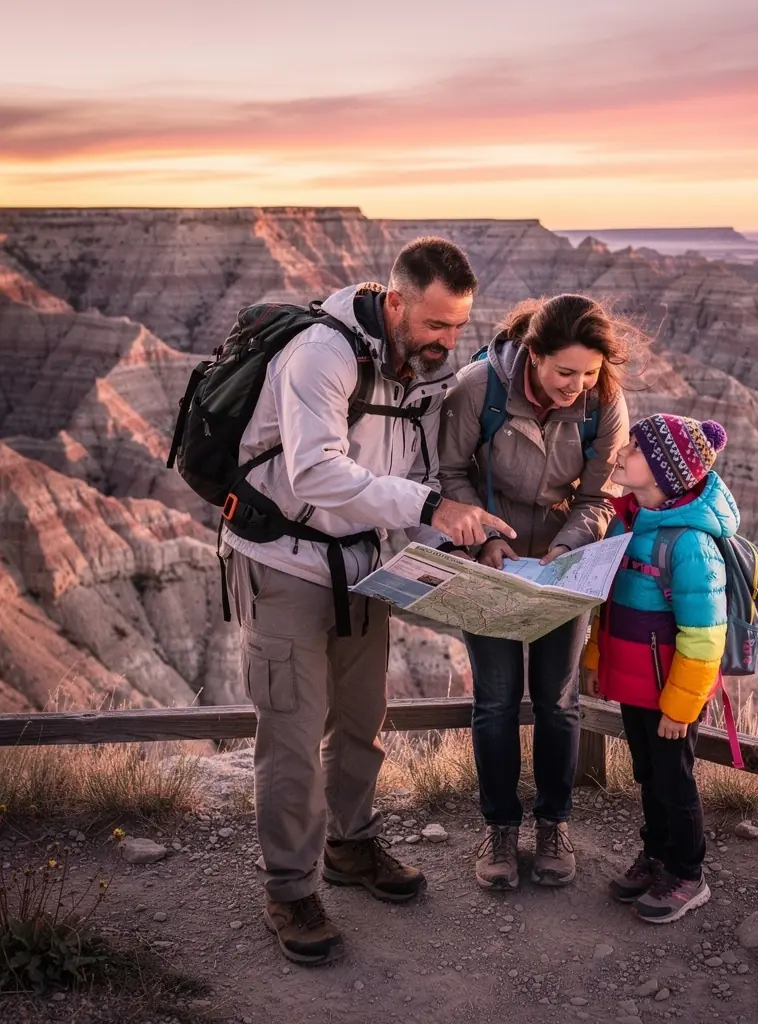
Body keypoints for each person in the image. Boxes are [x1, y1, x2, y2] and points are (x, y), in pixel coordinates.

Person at [221, 237, 515, 965]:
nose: (447, 342)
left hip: (361, 567)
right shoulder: (322, 354)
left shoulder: (420, 374)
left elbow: (412, 479)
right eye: (434, 325)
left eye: (457, 328)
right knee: (290, 735)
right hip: (281, 563)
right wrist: (432, 505)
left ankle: (350, 846)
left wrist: (466, 543)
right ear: (395, 302)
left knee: (361, 720)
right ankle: (290, 889)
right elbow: (317, 473)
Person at [438, 294, 632, 891]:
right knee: (495, 700)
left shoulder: (605, 402)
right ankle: (499, 829)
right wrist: (482, 543)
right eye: (565, 372)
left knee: (558, 699)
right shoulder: (478, 388)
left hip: (561, 562)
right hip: (488, 559)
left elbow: (600, 495)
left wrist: (567, 550)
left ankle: (553, 825)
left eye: (590, 373)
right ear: (533, 355)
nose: (578, 385)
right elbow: (449, 473)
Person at [580, 413, 738, 924]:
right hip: (635, 684)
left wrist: (681, 705)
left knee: (675, 779)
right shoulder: (630, 522)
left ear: (665, 473)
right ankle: (656, 856)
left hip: (670, 694)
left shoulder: (690, 544)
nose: (622, 454)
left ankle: (688, 873)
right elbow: (612, 606)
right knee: (647, 774)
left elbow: (704, 636)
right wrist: (596, 658)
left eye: (634, 449)